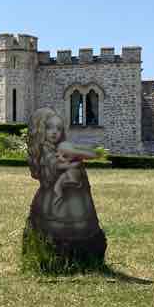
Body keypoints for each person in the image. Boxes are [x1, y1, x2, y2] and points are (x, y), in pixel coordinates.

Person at [25, 107, 107, 264]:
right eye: (50, 128)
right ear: (42, 130)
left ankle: (83, 251)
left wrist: (79, 156)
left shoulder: (59, 147)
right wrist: (70, 164)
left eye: (59, 128)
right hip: (52, 197)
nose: (55, 132)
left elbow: (72, 155)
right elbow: (53, 165)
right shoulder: (45, 148)